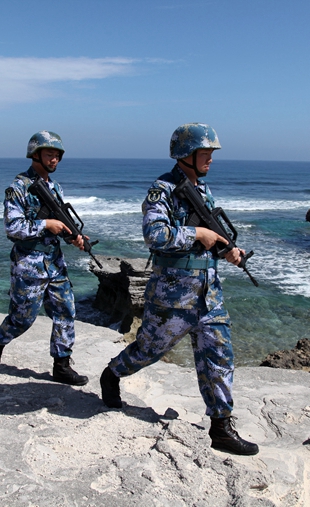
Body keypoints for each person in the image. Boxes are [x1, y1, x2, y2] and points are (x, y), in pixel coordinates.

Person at [99, 123, 259, 455]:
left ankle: (221, 427)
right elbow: (154, 235)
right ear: (187, 154)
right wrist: (196, 234)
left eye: (212, 153)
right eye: (206, 153)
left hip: (208, 294)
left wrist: (227, 251)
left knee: (219, 356)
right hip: (173, 294)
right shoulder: (163, 189)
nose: (211, 159)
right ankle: (112, 374)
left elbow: (210, 236)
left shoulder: (203, 190)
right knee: (148, 350)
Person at [0, 131, 88, 386]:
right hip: (29, 264)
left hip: (54, 263)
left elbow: (61, 222)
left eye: (57, 156)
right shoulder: (18, 187)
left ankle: (62, 365)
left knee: (66, 311)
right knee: (23, 318)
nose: (54, 160)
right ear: (35, 155)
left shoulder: (55, 187)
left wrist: (74, 237)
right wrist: (45, 224)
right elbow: (12, 228)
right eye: (49, 154)